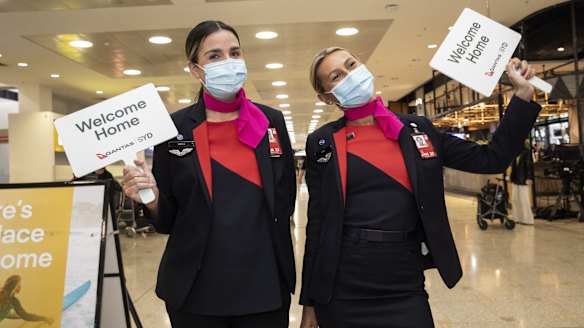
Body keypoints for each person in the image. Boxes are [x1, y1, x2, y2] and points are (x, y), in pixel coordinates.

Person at [299, 46, 541, 328]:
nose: (351, 76)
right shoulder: (322, 142)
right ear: (326, 97)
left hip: (404, 281)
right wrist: (310, 303)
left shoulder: (417, 130)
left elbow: (491, 159)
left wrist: (522, 96)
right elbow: (317, 226)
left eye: (352, 65)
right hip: (342, 285)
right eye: (337, 76)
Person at [122, 21, 296, 327]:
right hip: (195, 287)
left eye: (235, 53)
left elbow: (285, 201)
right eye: (214, 56)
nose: (228, 62)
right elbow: (167, 219)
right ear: (195, 69)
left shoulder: (270, 121)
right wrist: (150, 196)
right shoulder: (173, 128)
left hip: (264, 283)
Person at [511, 140, 535, 225]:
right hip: (515, 179)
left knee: (524, 199)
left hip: (523, 178)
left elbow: (529, 166)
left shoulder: (526, 152)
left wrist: (529, 178)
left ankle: (527, 218)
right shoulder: (515, 153)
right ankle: (516, 217)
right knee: (515, 199)